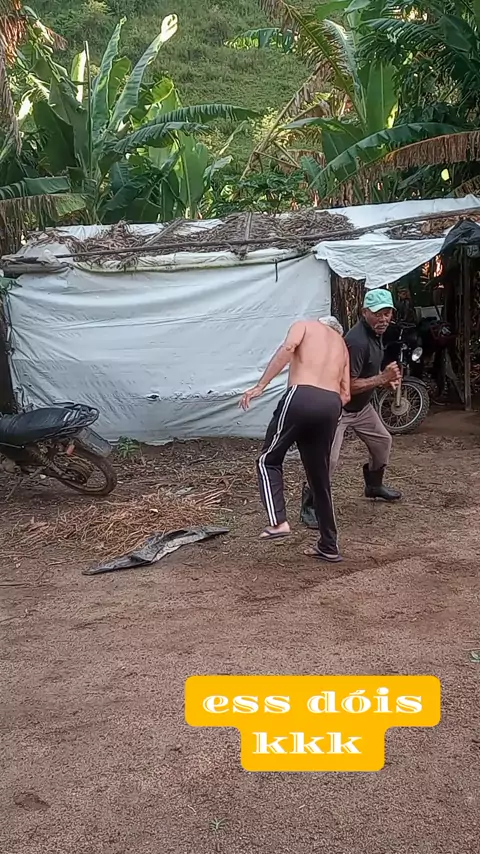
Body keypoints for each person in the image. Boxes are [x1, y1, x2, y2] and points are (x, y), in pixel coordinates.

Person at [239, 316, 350, 563]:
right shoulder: (342, 344)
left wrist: (260, 386)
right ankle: (329, 545)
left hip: (301, 394)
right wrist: (324, 410)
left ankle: (278, 522)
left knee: (268, 460)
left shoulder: (306, 325)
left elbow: (288, 348)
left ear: (321, 323)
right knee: (319, 478)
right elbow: (346, 394)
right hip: (331, 404)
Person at [300, 290, 402, 529]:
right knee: (328, 459)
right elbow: (347, 384)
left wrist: (385, 380)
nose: (383, 319)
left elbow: (368, 372)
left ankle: (373, 486)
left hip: (361, 407)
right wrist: (381, 379)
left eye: (387, 313)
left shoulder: (376, 334)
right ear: (364, 312)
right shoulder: (357, 341)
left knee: (382, 442)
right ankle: (310, 505)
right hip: (337, 408)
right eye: (377, 313)